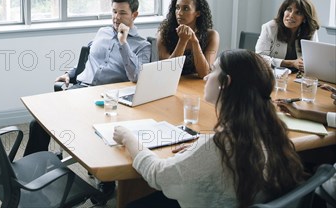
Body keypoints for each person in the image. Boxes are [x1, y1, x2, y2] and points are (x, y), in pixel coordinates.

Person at [113, 49, 305, 208]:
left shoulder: (220, 145)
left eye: (213, 70)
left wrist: (129, 138)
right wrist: (204, 145)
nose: (206, 77)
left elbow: (158, 174)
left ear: (226, 82)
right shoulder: (266, 127)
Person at [24, 0, 151, 203]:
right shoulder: (102, 31)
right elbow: (88, 59)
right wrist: (70, 73)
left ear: (134, 15)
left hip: (109, 100)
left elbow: (136, 76)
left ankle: (107, 181)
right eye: (113, 12)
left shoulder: (142, 46)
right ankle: (30, 174)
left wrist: (123, 42)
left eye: (122, 13)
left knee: (101, 135)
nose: (116, 18)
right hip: (81, 90)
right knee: (37, 123)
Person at [157, 0, 219, 78]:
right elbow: (169, 71)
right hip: (171, 84)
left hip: (197, 86)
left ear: (197, 13)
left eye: (186, 8)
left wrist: (195, 42)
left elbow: (204, 73)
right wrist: (182, 41)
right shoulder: (164, 33)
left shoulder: (211, 35)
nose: (179, 13)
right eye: (177, 8)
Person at [255, 0, 320, 72]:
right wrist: (291, 63)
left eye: (298, 12)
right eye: (289, 9)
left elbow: (315, 59)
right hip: (273, 75)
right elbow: (260, 58)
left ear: (305, 18)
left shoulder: (310, 30)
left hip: (299, 77)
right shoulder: (270, 27)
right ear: (283, 12)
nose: (291, 15)